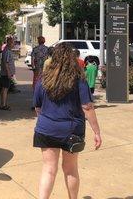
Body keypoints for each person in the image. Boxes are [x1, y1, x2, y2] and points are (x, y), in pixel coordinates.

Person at [33, 43, 102, 199]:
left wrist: (46, 122)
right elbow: (87, 107)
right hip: (71, 130)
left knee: (48, 169)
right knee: (70, 169)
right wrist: (96, 132)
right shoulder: (78, 79)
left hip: (46, 128)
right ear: (72, 59)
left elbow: (37, 107)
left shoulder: (43, 78)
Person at [0, 36, 16, 110]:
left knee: (5, 88)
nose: (14, 44)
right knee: (5, 89)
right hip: (6, 73)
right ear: (9, 42)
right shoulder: (7, 51)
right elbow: (6, 63)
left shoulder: (8, 50)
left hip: (6, 73)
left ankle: (3, 104)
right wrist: (8, 73)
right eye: (12, 42)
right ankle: (3, 105)